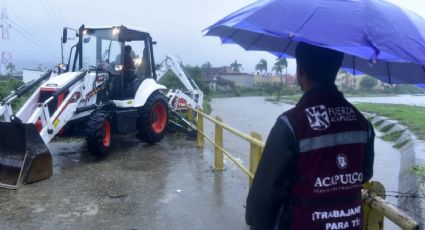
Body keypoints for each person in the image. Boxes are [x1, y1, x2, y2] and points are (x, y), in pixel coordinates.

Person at [245, 42, 375, 230]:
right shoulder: (363, 124)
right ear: (335, 70)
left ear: (301, 71)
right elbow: (364, 174)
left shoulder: (291, 123)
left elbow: (265, 196)